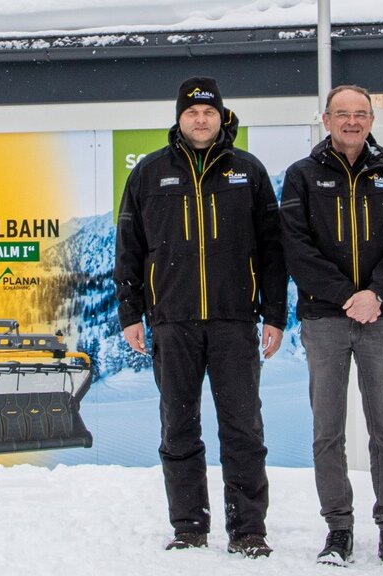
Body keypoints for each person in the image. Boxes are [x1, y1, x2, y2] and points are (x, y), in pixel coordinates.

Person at [115, 76, 287, 558]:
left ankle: (248, 528)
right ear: (179, 117)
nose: (200, 118)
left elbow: (273, 251)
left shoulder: (247, 171)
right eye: (192, 112)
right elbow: (129, 249)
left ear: (220, 116)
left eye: (208, 111)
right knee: (178, 426)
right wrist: (131, 313)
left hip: (235, 321)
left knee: (243, 429)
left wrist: (275, 314)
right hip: (173, 322)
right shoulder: (149, 173)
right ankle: (189, 524)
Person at [280, 85, 383, 569]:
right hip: (325, 319)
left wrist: (376, 293)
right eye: (341, 113)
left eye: (360, 113)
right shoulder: (302, 176)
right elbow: (296, 249)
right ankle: (338, 529)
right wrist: (347, 295)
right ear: (325, 119)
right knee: (328, 430)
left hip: (379, 319)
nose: (351, 121)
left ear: (371, 119)